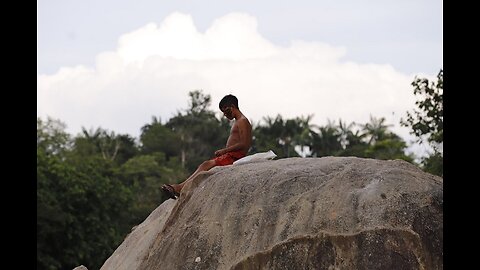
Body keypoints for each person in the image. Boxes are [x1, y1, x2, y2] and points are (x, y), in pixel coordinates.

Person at [161, 94, 252, 200]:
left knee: (206, 165)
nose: (224, 115)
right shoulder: (238, 121)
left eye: (225, 110)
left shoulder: (242, 121)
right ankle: (180, 187)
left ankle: (179, 188)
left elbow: (245, 144)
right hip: (230, 155)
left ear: (232, 106)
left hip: (235, 156)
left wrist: (225, 150)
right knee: (205, 165)